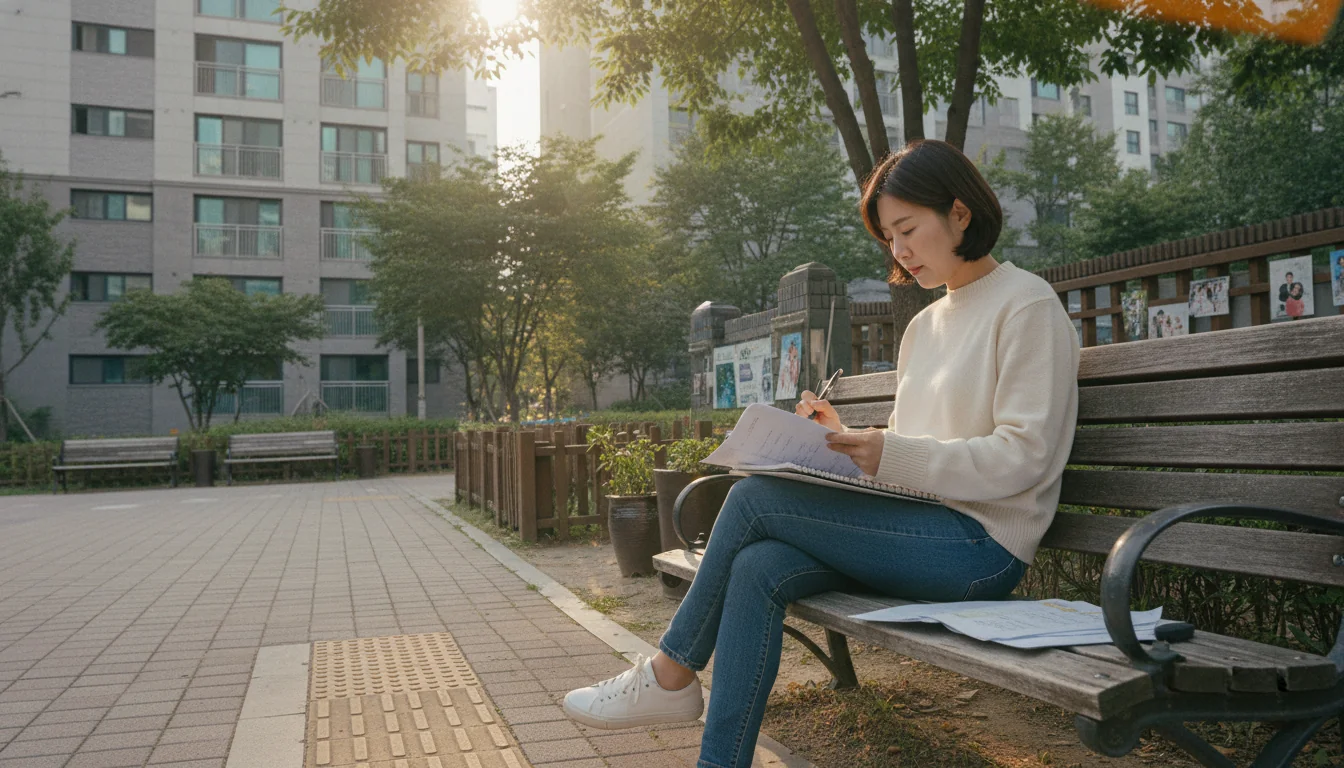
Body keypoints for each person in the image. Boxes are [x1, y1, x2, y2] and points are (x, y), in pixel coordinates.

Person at [561, 140, 1081, 767]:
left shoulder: (1026, 305)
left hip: (980, 548)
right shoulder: (924, 325)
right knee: (758, 566)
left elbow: (1025, 457)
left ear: (961, 213)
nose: (899, 251)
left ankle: (670, 674)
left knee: (753, 499)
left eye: (908, 229)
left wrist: (889, 452)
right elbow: (915, 445)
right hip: (919, 531)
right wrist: (843, 440)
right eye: (888, 237)